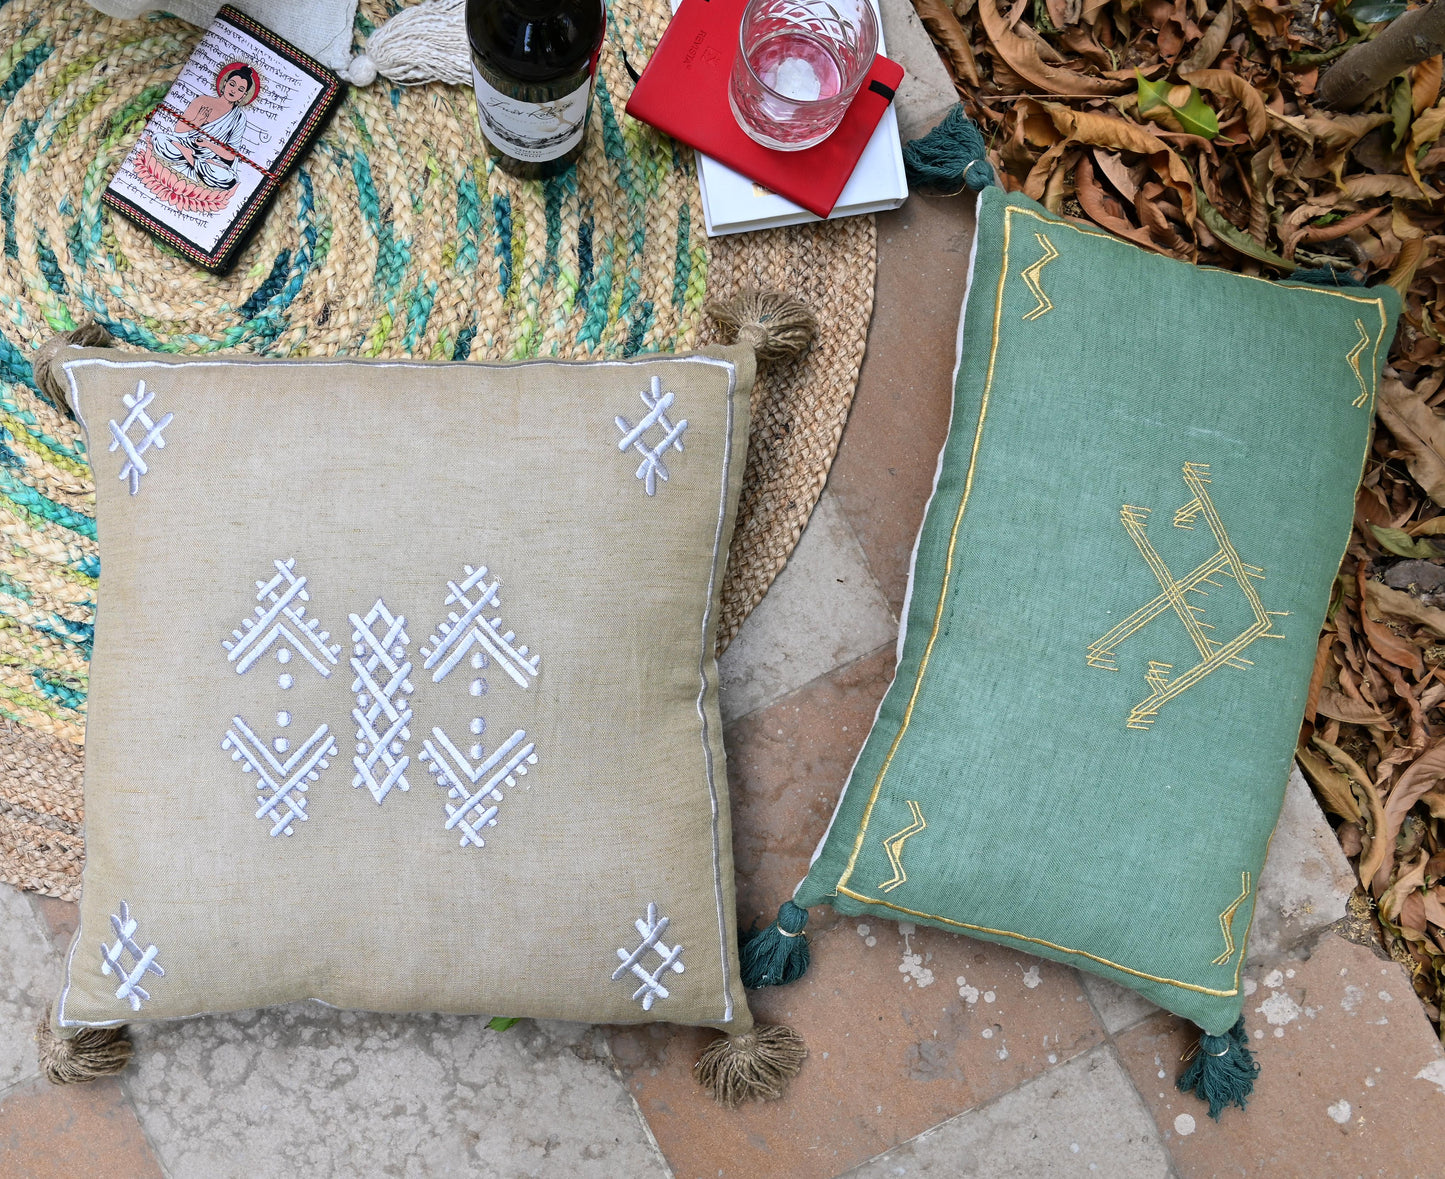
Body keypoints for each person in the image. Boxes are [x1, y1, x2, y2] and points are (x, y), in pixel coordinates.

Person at [147, 62, 259, 190]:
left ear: (243, 96)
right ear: (225, 83)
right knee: (159, 139)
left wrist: (207, 144)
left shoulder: (238, 118)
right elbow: (178, 130)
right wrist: (197, 121)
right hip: (185, 144)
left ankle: (191, 159)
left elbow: (230, 155)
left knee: (229, 178)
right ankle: (190, 157)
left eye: (240, 89)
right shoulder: (203, 100)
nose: (234, 90)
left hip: (210, 157)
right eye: (232, 84)